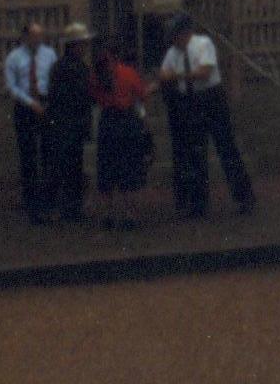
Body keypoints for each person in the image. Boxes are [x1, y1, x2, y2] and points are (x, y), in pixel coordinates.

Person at [157, 12, 254, 217]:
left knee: (226, 147)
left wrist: (176, 76)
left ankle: (244, 197)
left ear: (186, 33)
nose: (175, 40)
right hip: (189, 100)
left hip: (210, 98)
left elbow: (204, 72)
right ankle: (198, 202)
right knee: (194, 153)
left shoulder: (202, 44)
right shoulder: (173, 52)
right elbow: (163, 75)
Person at [91, 38, 158, 229]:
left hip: (107, 122)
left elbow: (96, 97)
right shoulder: (127, 73)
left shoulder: (96, 76)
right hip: (127, 122)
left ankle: (108, 213)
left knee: (107, 169)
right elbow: (141, 94)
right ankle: (130, 213)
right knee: (129, 168)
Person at [36, 21, 97, 223]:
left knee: (63, 167)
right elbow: (81, 95)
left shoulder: (61, 66)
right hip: (69, 123)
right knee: (67, 167)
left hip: (63, 122)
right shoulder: (76, 68)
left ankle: (57, 208)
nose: (85, 48)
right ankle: (65, 208)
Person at [2, 20, 58, 224]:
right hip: (25, 106)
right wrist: (29, 102)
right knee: (28, 155)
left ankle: (48, 198)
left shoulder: (49, 54)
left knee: (48, 152)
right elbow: (11, 87)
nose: (38, 40)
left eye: (40, 36)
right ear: (25, 38)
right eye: (34, 36)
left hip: (45, 102)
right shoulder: (14, 58)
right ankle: (31, 200)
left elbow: (53, 77)